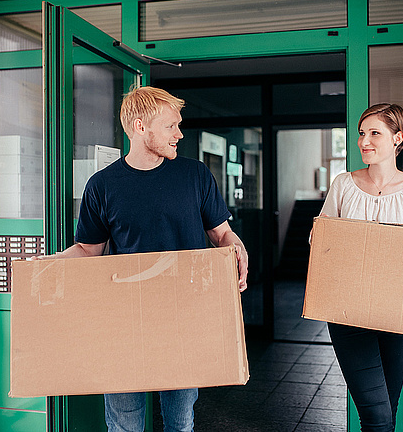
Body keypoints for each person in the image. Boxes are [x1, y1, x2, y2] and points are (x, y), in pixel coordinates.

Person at [39, 86, 248, 432]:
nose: (179, 134)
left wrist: (237, 247)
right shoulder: (102, 186)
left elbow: (221, 234)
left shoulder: (195, 176)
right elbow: (88, 249)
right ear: (140, 127)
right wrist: (49, 263)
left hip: (183, 316)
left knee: (180, 423)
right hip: (123, 319)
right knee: (124, 426)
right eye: (170, 126)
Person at [318, 103, 403, 431]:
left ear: (397, 138)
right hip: (348, 313)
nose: (364, 141)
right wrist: (320, 237)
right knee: (377, 416)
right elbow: (321, 249)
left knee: (385, 414)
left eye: (374, 133)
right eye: (362, 133)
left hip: (399, 314)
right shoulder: (343, 185)